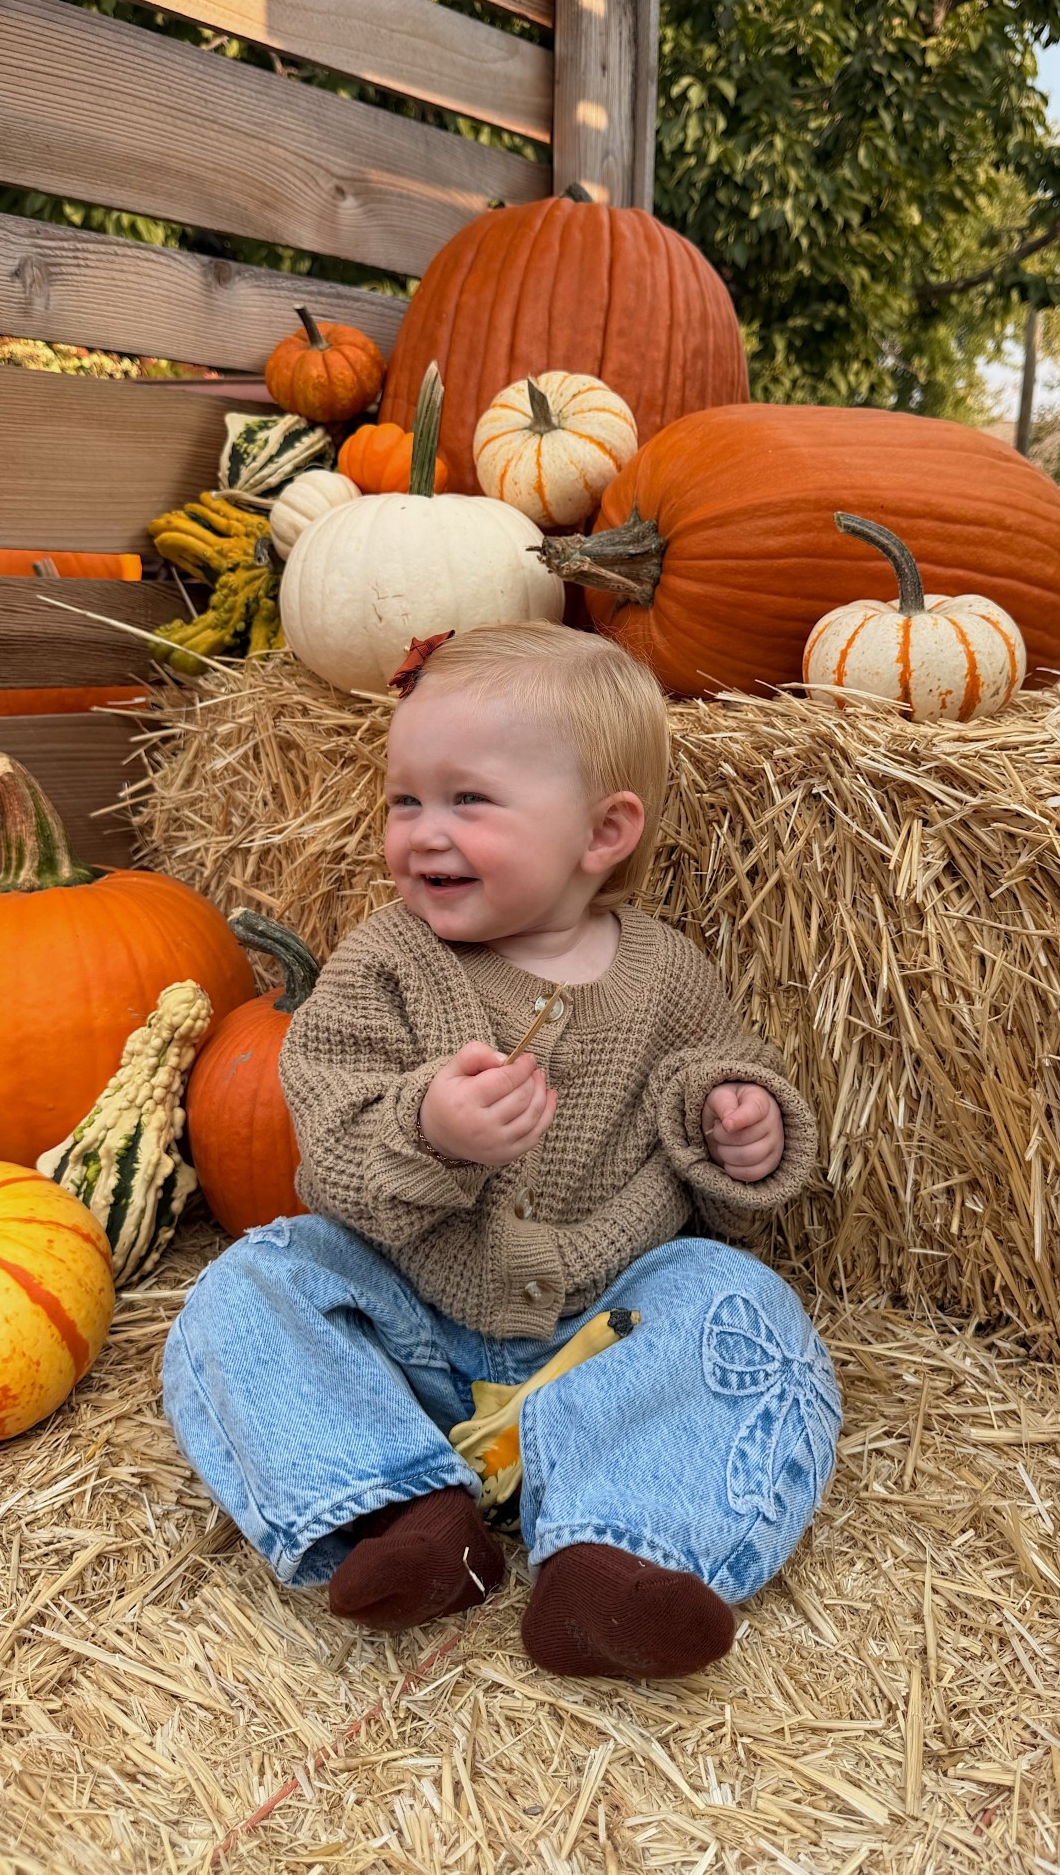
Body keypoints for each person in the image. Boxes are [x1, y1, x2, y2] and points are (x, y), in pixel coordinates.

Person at [163, 622, 840, 1680]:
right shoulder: (384, 959)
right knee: (254, 1281)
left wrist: (741, 1126)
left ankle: (617, 1553)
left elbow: (724, 1083)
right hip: (416, 1331)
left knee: (740, 1301)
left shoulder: (666, 973)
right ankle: (401, 1507)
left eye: (468, 800)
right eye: (405, 800)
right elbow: (328, 1155)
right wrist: (429, 1131)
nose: (423, 832)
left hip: (605, 1336)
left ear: (604, 830)